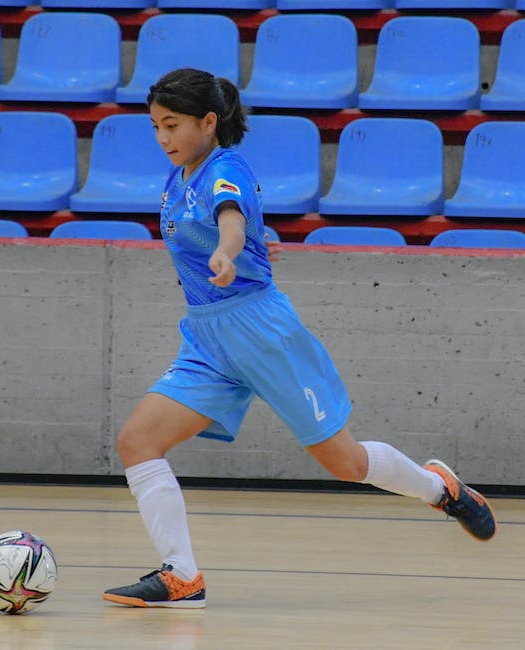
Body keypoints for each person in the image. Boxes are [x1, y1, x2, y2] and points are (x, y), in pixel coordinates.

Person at [102, 68, 497, 609]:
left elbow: (230, 217)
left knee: (346, 463)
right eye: (154, 127)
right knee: (137, 442)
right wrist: (253, 244)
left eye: (172, 125)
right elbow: (230, 227)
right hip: (207, 337)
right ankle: (182, 576)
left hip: (262, 332)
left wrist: (232, 247)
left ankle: (440, 489)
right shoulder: (177, 179)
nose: (163, 138)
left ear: (208, 122)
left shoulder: (226, 167)